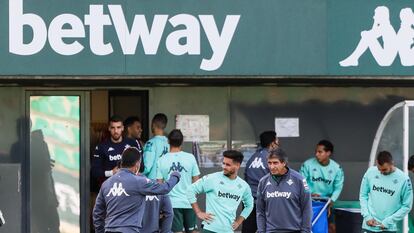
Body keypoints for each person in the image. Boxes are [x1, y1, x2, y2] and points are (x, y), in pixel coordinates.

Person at [93, 147, 181, 233]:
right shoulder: (139, 182)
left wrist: (100, 231)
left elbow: (97, 213)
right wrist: (175, 175)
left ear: (121, 162)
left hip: (109, 229)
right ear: (137, 164)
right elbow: (165, 188)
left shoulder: (106, 183)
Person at [187, 150, 253, 233]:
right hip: (209, 229)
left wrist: (238, 222)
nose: (224, 167)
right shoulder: (212, 178)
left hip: (228, 230)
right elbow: (190, 190)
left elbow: (249, 205)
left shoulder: (244, 186)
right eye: (224, 163)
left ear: (237, 165)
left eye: (228, 164)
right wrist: (198, 212)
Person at [256, 148, 312, 233]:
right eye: (269, 163)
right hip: (271, 231)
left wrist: (305, 231)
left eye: (275, 163)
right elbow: (260, 211)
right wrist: (261, 231)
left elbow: (307, 208)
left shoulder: (299, 180)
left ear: (284, 163)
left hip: (295, 230)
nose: (272, 167)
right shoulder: (263, 182)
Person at [157, 129, 201, 233]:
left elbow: (159, 184)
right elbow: (197, 181)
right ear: (182, 141)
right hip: (189, 202)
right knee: (193, 231)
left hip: (172, 203)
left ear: (168, 141)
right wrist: (193, 197)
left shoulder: (161, 160)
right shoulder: (190, 158)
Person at [360, 151, 413, 233]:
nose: (381, 172)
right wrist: (367, 216)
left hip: (389, 228)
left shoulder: (404, 179)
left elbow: (407, 206)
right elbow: (363, 195)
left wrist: (389, 221)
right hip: (369, 226)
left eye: (384, 169)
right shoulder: (370, 172)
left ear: (392, 163)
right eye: (379, 169)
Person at [300, 140, 344, 233]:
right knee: (307, 227)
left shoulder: (337, 168)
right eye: (316, 151)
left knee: (331, 228)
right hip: (309, 201)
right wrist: (310, 194)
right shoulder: (307, 164)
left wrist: (331, 200)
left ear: (328, 153)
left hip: (327, 202)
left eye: (320, 152)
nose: (316, 154)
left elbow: (338, 187)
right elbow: (301, 182)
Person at [242, 130, 279, 233]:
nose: (278, 142)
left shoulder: (252, 158)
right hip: (266, 201)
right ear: (272, 143)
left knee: (248, 229)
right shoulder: (272, 159)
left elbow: (246, 178)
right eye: (277, 140)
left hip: (249, 200)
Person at [91, 115, 139, 187]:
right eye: (113, 128)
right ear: (109, 128)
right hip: (110, 188)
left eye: (118, 127)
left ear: (123, 128)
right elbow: (94, 172)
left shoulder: (132, 143)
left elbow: (141, 166)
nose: (116, 131)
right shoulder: (101, 146)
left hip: (129, 187)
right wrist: (111, 172)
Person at [143, 113, 169, 179]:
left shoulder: (151, 143)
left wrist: (136, 174)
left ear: (153, 125)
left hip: (153, 182)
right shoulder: (169, 143)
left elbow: (147, 167)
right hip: (167, 182)